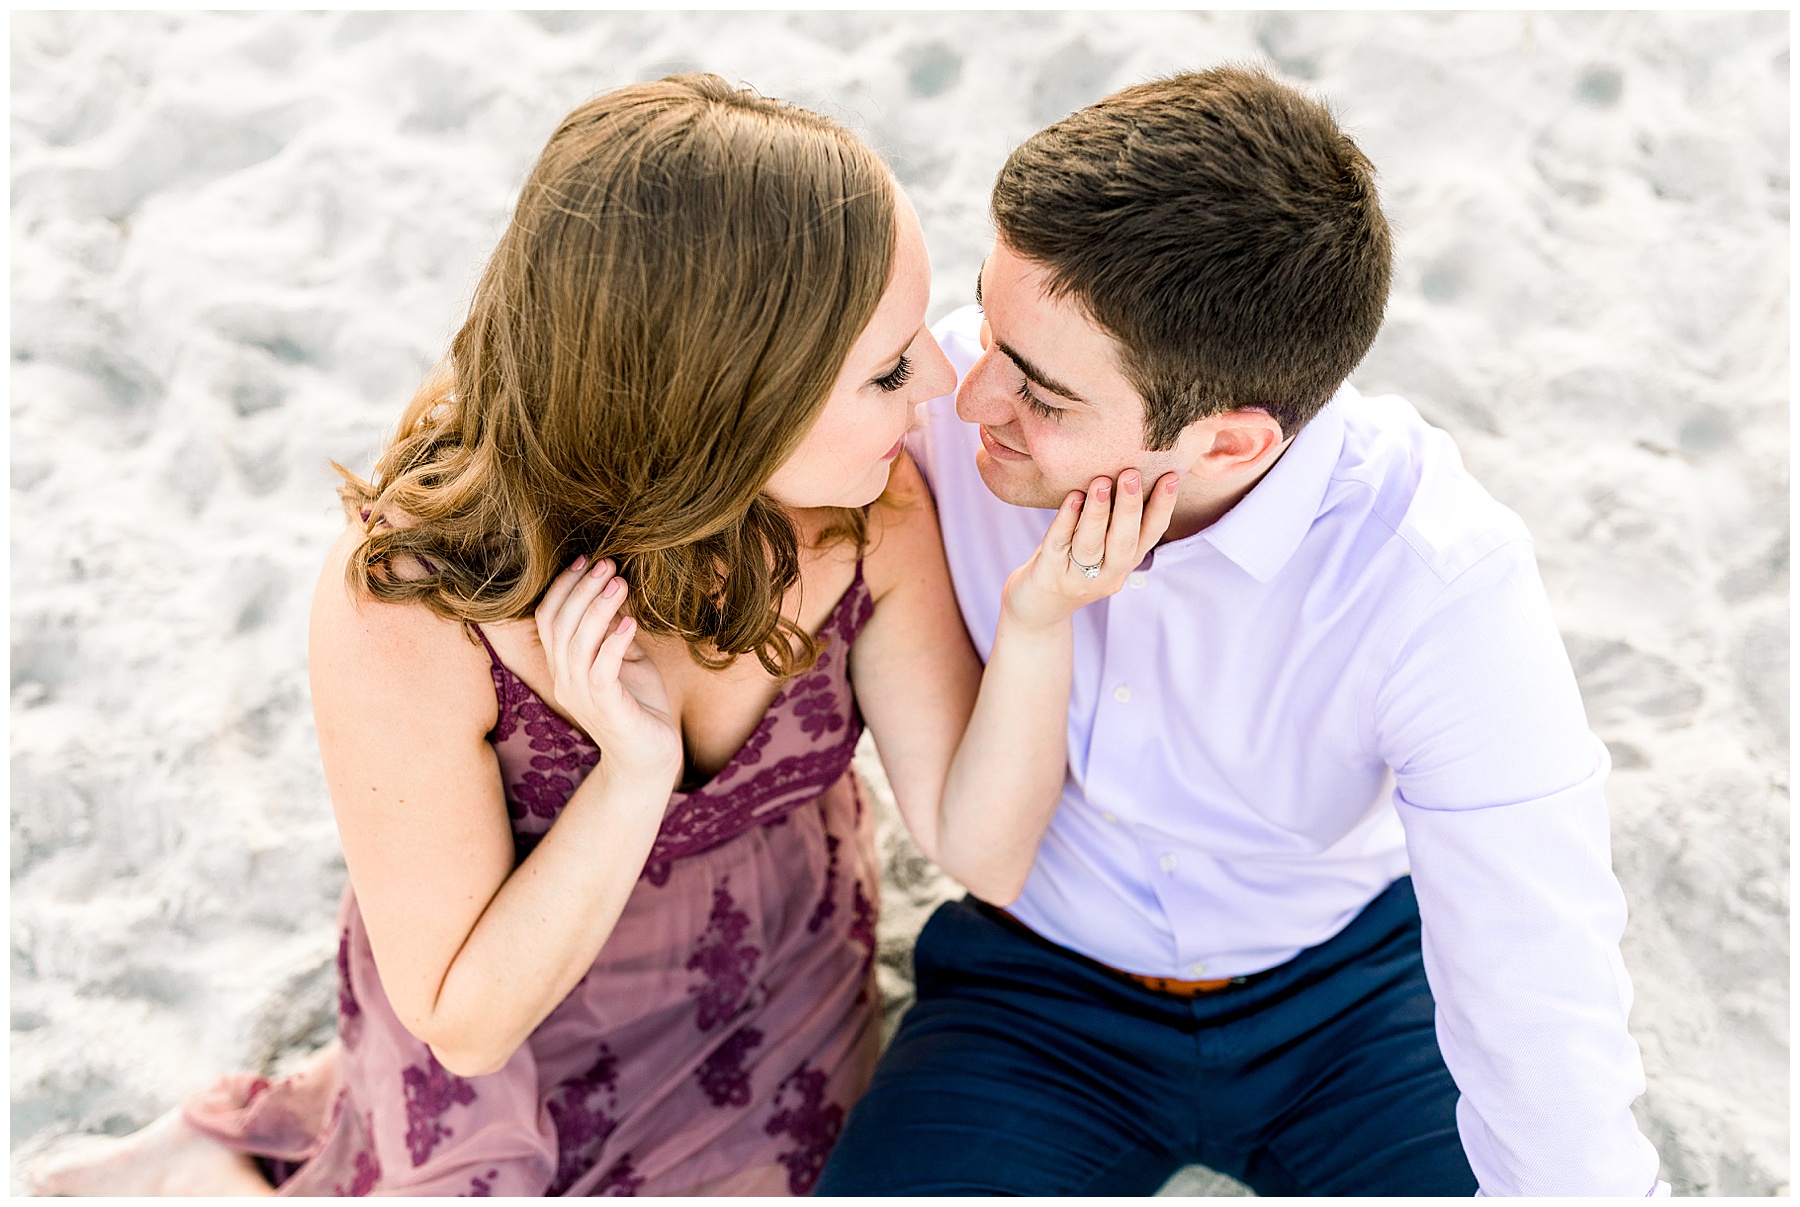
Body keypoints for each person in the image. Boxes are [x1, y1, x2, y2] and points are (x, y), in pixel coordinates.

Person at [28, 75, 1176, 1197]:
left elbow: (980, 851)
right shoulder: (412, 603)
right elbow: (468, 1022)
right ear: (725, 406)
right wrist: (632, 774)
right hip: (510, 983)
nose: (942, 382)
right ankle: (236, 1143)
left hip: (765, 971)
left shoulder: (873, 509)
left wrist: (1037, 624)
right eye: (887, 367)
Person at [817, 66, 1670, 1197]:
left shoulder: (1434, 576)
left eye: (1043, 395)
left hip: (1355, 999)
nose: (968, 399)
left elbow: (1539, 979)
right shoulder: (932, 408)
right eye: (987, 320)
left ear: (1228, 445)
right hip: (1036, 996)